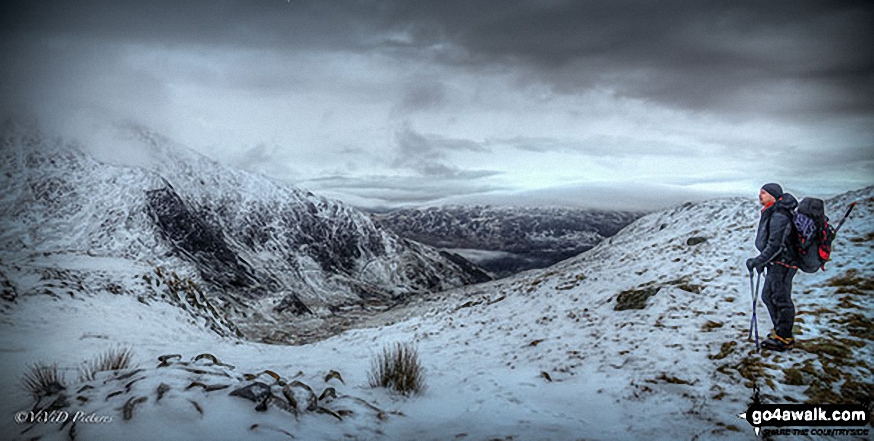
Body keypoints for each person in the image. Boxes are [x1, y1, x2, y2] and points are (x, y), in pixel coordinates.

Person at [746, 183, 799, 351]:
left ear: (773, 195)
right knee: (769, 296)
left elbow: (776, 244)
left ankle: (785, 338)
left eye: (763, 192)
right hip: (776, 262)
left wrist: (759, 260)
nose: (760, 195)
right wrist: (763, 261)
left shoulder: (779, 215)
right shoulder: (772, 212)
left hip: (784, 263)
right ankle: (780, 331)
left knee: (780, 299)